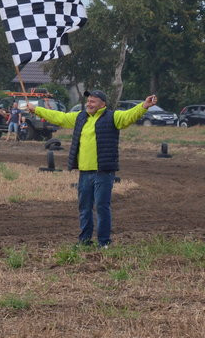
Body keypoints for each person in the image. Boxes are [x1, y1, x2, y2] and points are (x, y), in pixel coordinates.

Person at [27, 90, 158, 248]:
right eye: (88, 101)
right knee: (84, 208)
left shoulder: (113, 117)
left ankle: (103, 242)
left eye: (93, 101)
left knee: (102, 207)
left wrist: (144, 106)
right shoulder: (80, 117)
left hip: (103, 172)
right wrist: (37, 110)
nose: (89, 104)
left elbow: (129, 115)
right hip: (84, 173)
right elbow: (59, 117)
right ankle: (84, 241)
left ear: (102, 104)